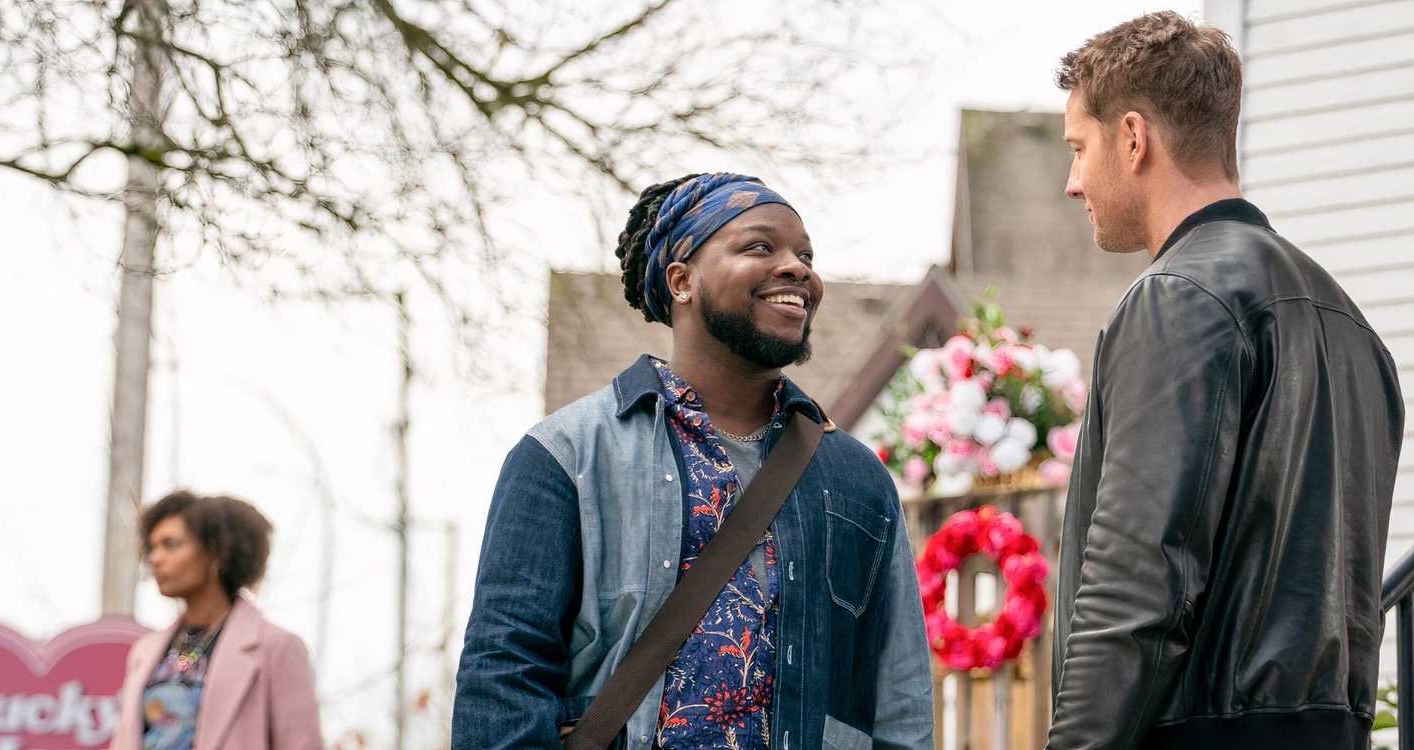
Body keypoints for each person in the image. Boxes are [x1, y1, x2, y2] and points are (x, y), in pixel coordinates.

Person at [452, 173, 934, 749]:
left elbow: (900, 697)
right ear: (682, 280)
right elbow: (504, 677)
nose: (798, 268)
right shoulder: (565, 456)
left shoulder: (857, 478)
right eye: (760, 246)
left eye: (805, 254)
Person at [1047, 12, 1405, 749]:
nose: (1072, 182)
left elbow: (1137, 578)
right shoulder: (1353, 326)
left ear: (1134, 138)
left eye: (1079, 149)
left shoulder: (1178, 296)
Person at [111, 490, 324, 750]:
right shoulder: (144, 652)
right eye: (152, 547)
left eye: (170, 544)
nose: (155, 558)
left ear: (216, 552)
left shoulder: (276, 648)